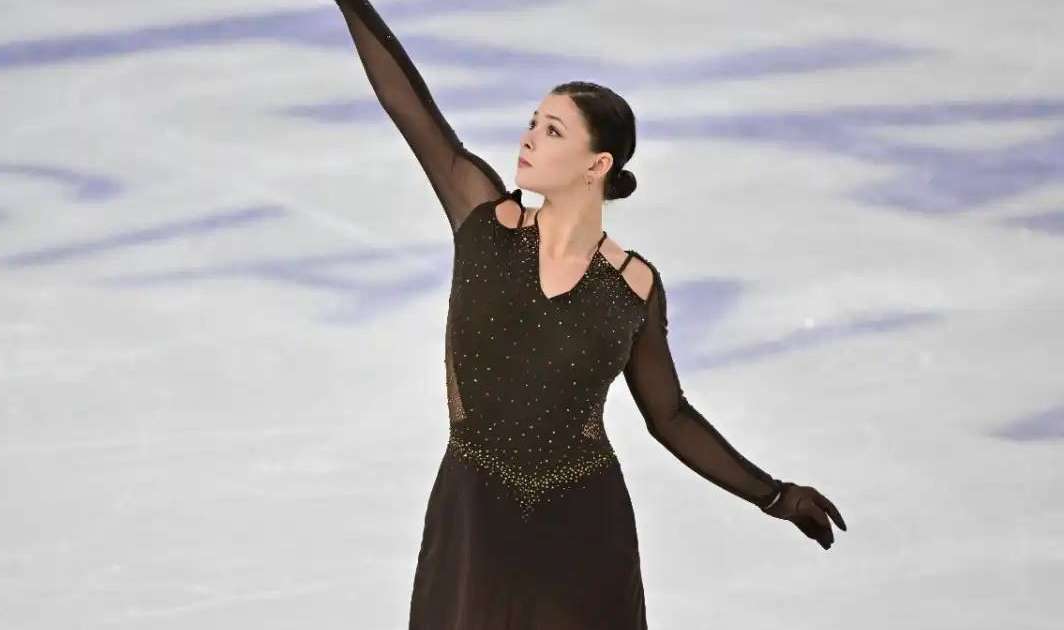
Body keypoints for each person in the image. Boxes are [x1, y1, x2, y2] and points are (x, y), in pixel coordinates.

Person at [331, 1, 847, 628]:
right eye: (532, 122)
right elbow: (407, 106)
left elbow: (671, 416)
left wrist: (775, 496)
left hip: (582, 526)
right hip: (473, 512)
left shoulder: (632, 287)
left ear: (596, 165)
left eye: (552, 131)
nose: (528, 137)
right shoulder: (482, 219)